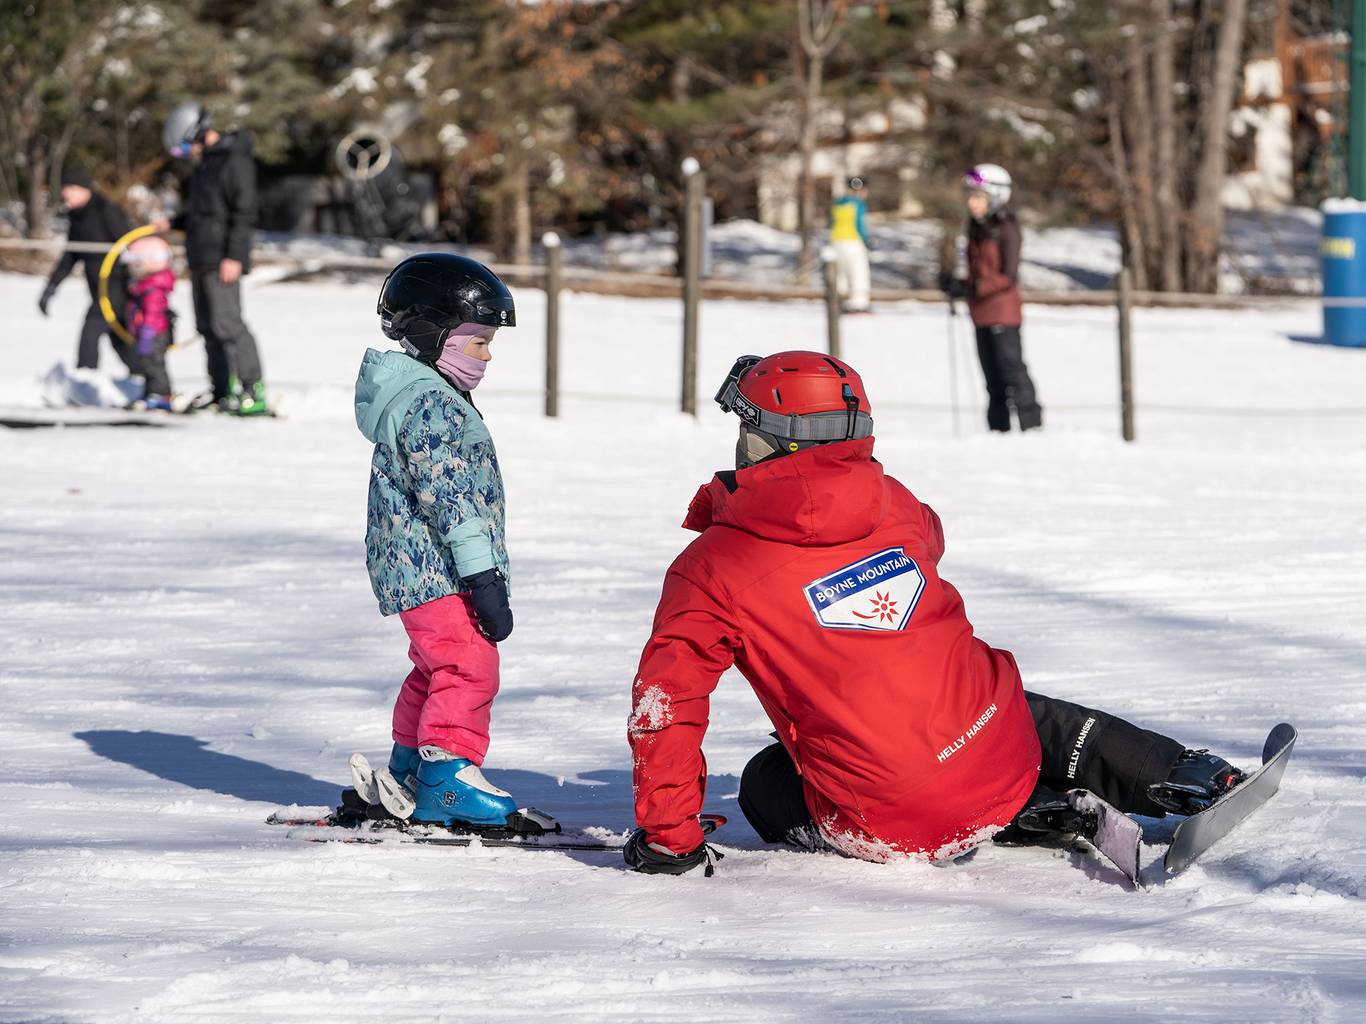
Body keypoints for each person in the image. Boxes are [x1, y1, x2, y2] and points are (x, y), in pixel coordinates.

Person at [622, 352, 1246, 875]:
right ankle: (1185, 773)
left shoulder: (712, 566)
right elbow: (930, 539)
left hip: (892, 818)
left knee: (765, 782)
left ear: (763, 441)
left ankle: (1020, 815)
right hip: (996, 747)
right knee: (1005, 704)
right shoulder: (894, 504)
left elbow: (666, 705)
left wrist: (669, 839)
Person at [352, 252, 521, 827]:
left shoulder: (424, 393)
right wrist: (482, 574)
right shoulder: (430, 404)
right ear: (434, 334)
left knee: (434, 668)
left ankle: (407, 767)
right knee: (469, 667)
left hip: (418, 567)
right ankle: (447, 775)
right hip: (438, 569)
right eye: (478, 341)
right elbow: (451, 499)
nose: (487, 354)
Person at [161, 101, 269, 416]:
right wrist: (173, 223)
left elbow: (243, 212)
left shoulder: (235, 161)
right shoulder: (205, 166)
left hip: (223, 258)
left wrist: (234, 256)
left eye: (185, 146)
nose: (187, 153)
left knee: (228, 324)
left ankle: (253, 389)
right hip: (201, 256)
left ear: (197, 133)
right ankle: (221, 390)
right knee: (207, 327)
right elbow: (204, 212)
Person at [944, 163, 1043, 432]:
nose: (971, 203)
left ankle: (1030, 423)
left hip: (1002, 311)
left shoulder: (1006, 227)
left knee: (1012, 369)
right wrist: (958, 284)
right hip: (981, 313)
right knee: (991, 377)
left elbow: (1007, 275)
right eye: (971, 197)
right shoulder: (976, 228)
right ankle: (998, 428)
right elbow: (979, 272)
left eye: (977, 197)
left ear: (995, 196)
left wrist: (975, 288)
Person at [37, 167, 142, 377]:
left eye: (70, 188)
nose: (65, 193)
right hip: (96, 287)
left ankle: (85, 379)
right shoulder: (77, 216)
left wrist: (135, 278)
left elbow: (131, 243)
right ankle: (145, 377)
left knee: (91, 329)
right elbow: (70, 256)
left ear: (85, 190)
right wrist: (51, 287)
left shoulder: (106, 210)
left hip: (115, 285)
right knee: (118, 338)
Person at [123, 235, 177, 411]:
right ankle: (150, 393)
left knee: (155, 365)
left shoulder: (153, 288)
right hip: (146, 332)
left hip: (154, 333)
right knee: (147, 365)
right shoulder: (144, 285)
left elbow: (153, 312)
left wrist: (147, 331)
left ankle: (161, 394)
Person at [829, 176, 872, 313]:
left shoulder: (837, 203)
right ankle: (859, 304)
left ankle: (837, 301)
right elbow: (859, 224)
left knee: (840, 274)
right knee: (858, 272)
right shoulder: (858, 204)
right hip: (853, 242)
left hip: (836, 242)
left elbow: (831, 223)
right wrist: (867, 239)